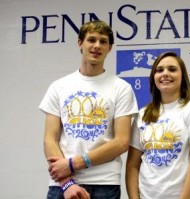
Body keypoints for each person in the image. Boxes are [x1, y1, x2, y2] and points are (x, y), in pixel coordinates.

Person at [39, 20, 138, 199]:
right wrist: (67, 182)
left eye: (103, 41)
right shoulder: (59, 86)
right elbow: (49, 140)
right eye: (91, 40)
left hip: (104, 184)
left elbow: (121, 142)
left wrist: (73, 164)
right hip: (62, 184)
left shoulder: (121, 88)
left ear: (110, 48)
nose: (97, 46)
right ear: (80, 43)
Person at [125, 52, 190, 199]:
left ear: (183, 77)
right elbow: (132, 166)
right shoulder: (142, 114)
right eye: (159, 70)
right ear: (153, 77)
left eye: (172, 69)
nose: (165, 74)